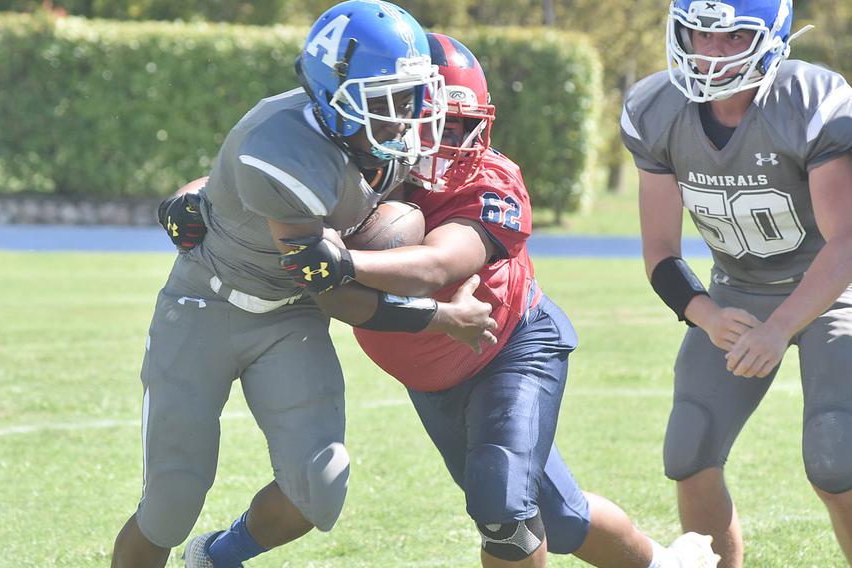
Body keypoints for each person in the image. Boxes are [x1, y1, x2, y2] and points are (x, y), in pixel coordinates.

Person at [178, 32, 720, 567]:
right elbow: (258, 169)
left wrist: (341, 262)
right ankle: (668, 564)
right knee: (558, 516)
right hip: (431, 371)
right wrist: (194, 196)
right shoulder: (360, 156)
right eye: (433, 125)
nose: (443, 142)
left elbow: (435, 265)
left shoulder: (495, 185)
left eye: (460, 126)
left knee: (503, 510)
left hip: (507, 347)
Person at [109, 3, 501, 567]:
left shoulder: (390, 141)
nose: (407, 116)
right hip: (206, 304)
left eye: (413, 95)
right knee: (172, 499)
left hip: (287, 313)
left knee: (320, 487)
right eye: (388, 98)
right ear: (334, 92)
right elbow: (337, 293)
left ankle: (216, 556)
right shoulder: (281, 145)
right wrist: (442, 318)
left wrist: (195, 192)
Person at [620, 0, 852, 565]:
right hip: (738, 287)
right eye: (698, 35)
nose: (710, 53)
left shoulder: (810, 104)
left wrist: (778, 329)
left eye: (731, 38)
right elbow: (660, 251)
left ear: (771, 39)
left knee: (836, 455)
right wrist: (708, 315)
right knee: (689, 448)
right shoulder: (656, 109)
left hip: (832, 290)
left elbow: (846, 241)